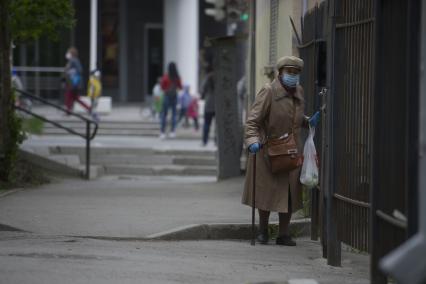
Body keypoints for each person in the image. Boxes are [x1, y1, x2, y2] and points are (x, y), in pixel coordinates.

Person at [242, 56, 320, 246]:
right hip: (268, 150)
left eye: (296, 73)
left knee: (289, 193)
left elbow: (294, 117)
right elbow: (252, 121)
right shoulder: (268, 91)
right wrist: (252, 140)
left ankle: (284, 234)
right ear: (280, 73)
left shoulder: (299, 92)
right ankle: (262, 231)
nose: (293, 76)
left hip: (291, 151)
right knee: (266, 193)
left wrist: (307, 120)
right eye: (289, 72)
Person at [63, 47, 91, 114]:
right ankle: (89, 108)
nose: (67, 54)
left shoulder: (74, 60)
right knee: (75, 98)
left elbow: (79, 70)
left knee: (68, 96)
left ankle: (68, 110)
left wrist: (70, 72)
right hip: (74, 83)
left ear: (71, 54)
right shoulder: (73, 60)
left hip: (73, 83)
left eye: (68, 52)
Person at [160, 62, 182, 139]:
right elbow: (180, 87)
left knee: (164, 115)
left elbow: (162, 87)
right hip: (174, 96)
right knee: (174, 115)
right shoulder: (177, 77)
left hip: (166, 96)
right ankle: (172, 132)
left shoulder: (166, 77)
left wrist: (167, 89)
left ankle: (162, 132)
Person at [200, 65, 215, 146]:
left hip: (209, 103)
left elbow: (203, 89)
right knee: (217, 125)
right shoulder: (218, 77)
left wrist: (202, 96)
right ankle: (217, 141)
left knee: (206, 124)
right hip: (217, 104)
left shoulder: (207, 78)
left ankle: (204, 141)